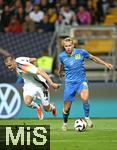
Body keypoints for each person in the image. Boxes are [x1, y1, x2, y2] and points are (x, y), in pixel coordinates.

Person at [58, 37, 113, 131]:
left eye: (70, 45)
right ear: (64, 47)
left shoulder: (81, 52)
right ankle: (65, 123)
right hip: (70, 84)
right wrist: (60, 71)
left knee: (85, 98)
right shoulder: (62, 56)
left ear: (73, 45)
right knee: (66, 108)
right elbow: (62, 64)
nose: (68, 47)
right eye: (66, 46)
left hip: (81, 81)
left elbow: (94, 58)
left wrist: (105, 64)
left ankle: (87, 118)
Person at [4, 55, 60, 120]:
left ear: (13, 61)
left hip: (40, 85)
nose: (9, 68)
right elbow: (34, 59)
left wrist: (51, 83)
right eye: (7, 66)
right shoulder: (19, 59)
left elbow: (41, 71)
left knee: (47, 109)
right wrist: (34, 66)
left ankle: (52, 107)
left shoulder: (24, 67)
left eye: (10, 65)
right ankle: (38, 107)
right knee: (27, 102)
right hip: (29, 85)